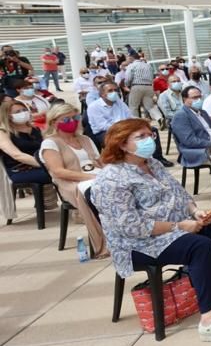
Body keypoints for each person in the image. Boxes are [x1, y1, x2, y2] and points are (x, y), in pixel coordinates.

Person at [90, 118, 211, 343]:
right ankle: (209, 322)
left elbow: (178, 194)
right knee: (199, 246)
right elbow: (132, 226)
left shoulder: (152, 164)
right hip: (139, 243)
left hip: (176, 226)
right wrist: (179, 226)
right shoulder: (111, 179)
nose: (148, 140)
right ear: (121, 144)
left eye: (149, 134)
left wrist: (195, 211)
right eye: (139, 137)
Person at [38, 103, 107, 257]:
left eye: (75, 117)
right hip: (71, 182)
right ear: (54, 122)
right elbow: (59, 172)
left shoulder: (85, 139)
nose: (72, 121)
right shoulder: (50, 143)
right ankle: (105, 241)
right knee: (97, 190)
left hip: (95, 175)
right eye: (66, 119)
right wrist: (93, 177)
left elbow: (99, 161)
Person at [86, 81, 173, 166]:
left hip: (125, 128)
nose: (114, 92)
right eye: (110, 91)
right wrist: (126, 127)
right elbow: (102, 126)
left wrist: (140, 120)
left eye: (116, 90)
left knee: (151, 130)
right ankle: (126, 164)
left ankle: (158, 158)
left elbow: (129, 117)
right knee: (127, 138)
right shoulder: (94, 107)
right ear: (102, 94)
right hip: (107, 132)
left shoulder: (119, 103)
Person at [0, 101, 52, 193]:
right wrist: (45, 164)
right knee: (57, 173)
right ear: (8, 116)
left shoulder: (36, 129)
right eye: (17, 112)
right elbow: (17, 155)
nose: (23, 113)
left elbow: (49, 147)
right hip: (20, 170)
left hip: (42, 164)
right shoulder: (3, 133)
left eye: (24, 110)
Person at [171, 87, 211, 168]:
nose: (199, 100)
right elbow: (189, 141)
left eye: (200, 97)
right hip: (198, 150)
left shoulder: (203, 112)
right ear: (185, 99)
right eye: (195, 98)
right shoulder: (181, 115)